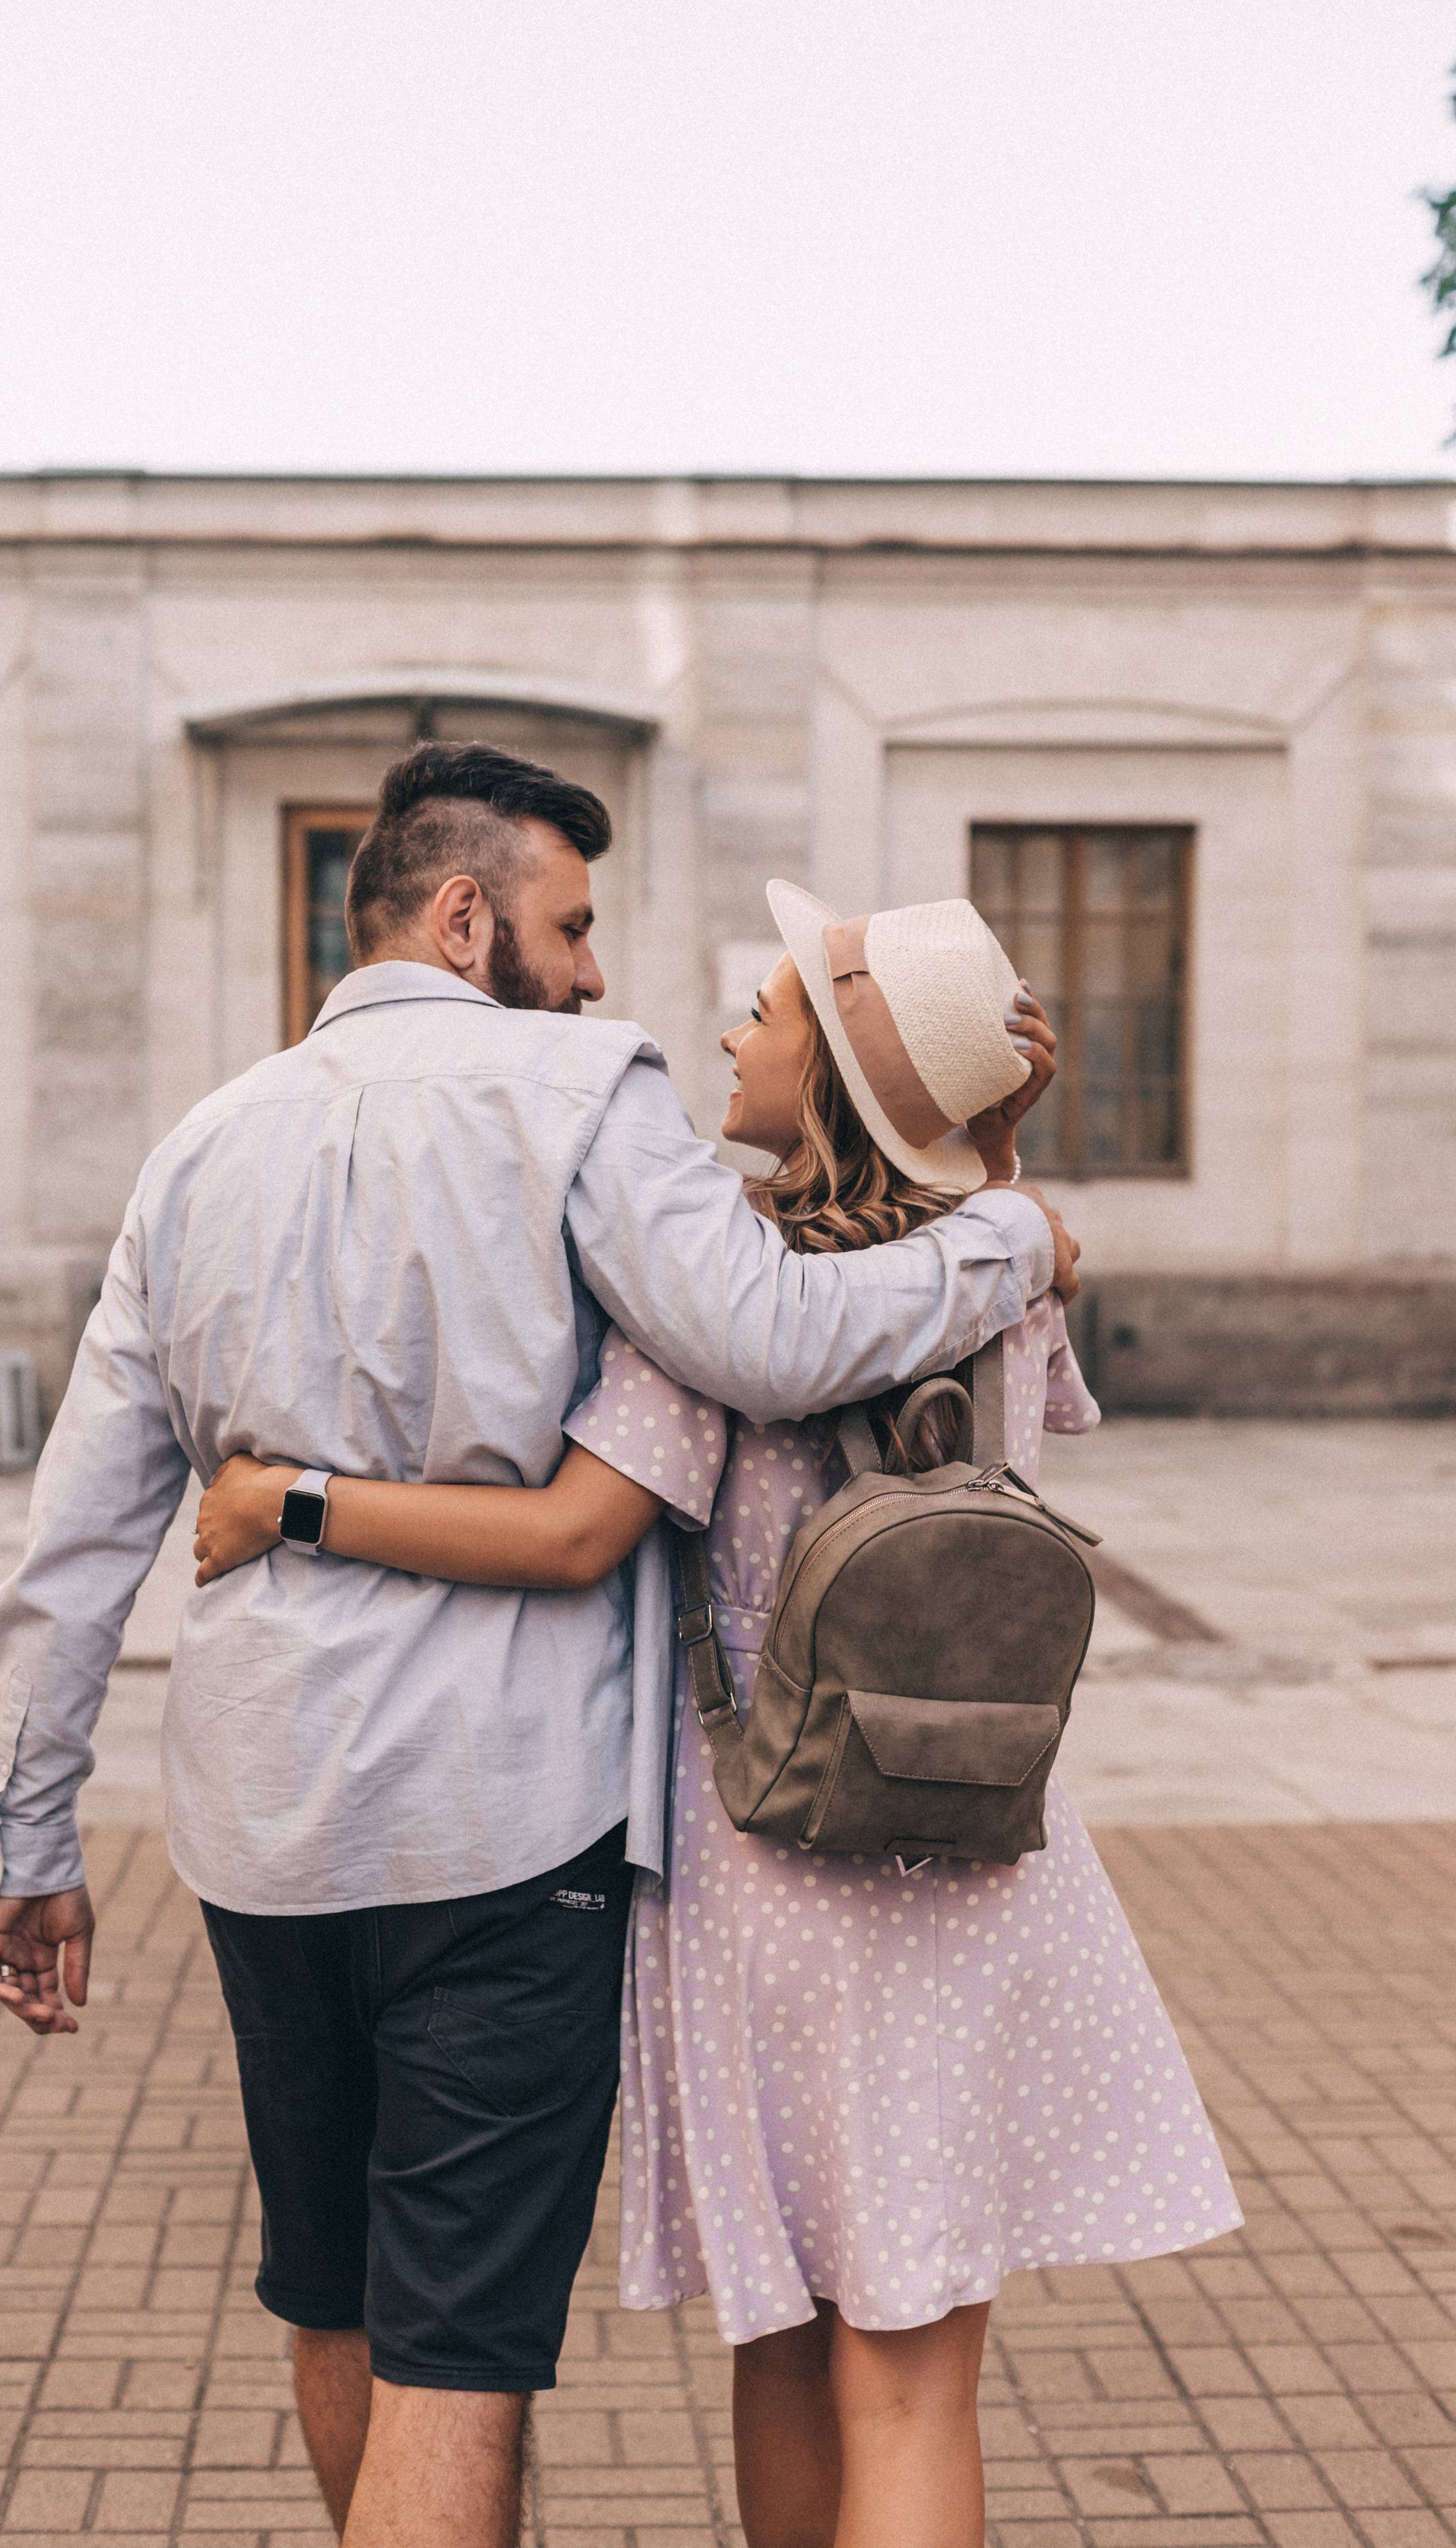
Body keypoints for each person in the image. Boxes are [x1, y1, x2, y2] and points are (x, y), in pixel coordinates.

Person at [0, 741, 1075, 2548]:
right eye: (571, 926)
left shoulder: (196, 1146)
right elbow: (774, 1338)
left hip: (260, 1831)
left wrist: (29, 1845)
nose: (595, 972)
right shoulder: (586, 1091)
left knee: (327, 2287)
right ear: (468, 912)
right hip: (506, 1831)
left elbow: (76, 1537)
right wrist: (1012, 1227)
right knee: (461, 2336)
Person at [195, 883, 1240, 2548]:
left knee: (786, 2341)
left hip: (766, 1858)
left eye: (763, 1011)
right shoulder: (1001, 1275)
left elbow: (566, 1537)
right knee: (916, 2373)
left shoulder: (708, 1304)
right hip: (971, 1849)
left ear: (823, 1074)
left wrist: (286, 1504)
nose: (730, 1032)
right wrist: (994, 1157)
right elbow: (1000, 1385)